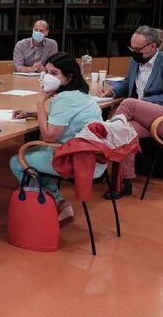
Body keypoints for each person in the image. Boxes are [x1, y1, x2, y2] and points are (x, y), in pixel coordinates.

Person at [9, 52, 107, 224]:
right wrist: (33, 114)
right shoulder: (81, 94)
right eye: (46, 72)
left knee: (17, 161)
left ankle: (57, 203)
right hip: (92, 155)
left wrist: (39, 103)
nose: (47, 77)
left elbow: (48, 137)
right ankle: (50, 197)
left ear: (68, 77)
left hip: (80, 160)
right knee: (36, 152)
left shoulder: (64, 99)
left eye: (54, 74)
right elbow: (63, 118)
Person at [97, 25, 163, 198]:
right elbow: (127, 84)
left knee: (129, 105)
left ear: (152, 47)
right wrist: (111, 92)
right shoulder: (136, 61)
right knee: (125, 132)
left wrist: (142, 103)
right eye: (131, 48)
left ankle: (104, 134)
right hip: (149, 118)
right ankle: (124, 183)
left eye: (137, 49)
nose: (133, 52)